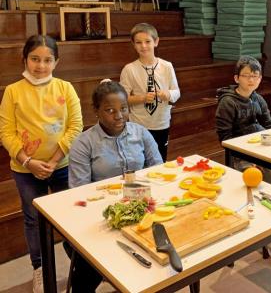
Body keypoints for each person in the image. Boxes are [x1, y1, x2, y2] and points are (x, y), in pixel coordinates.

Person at [0, 35, 83, 293]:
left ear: (56, 62)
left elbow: (76, 125)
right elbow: (6, 132)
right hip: (26, 170)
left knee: (69, 216)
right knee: (33, 219)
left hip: (62, 165)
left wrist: (55, 159)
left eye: (47, 60)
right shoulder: (13, 91)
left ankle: (81, 265)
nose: (41, 65)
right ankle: (40, 268)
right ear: (25, 59)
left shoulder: (65, 88)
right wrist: (28, 161)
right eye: (35, 59)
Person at [67, 80, 163, 292]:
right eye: (110, 110)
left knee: (161, 252)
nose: (119, 116)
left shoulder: (141, 133)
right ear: (96, 111)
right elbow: (79, 191)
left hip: (142, 208)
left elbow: (159, 171)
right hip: (102, 215)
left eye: (123, 109)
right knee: (87, 266)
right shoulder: (84, 143)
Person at [216, 56, 271, 259]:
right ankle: (269, 238)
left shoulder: (258, 98)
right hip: (239, 156)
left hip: (261, 152)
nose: (251, 80)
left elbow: (269, 124)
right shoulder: (228, 102)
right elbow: (225, 138)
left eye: (255, 76)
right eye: (247, 76)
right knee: (262, 188)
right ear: (236, 77)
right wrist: (250, 150)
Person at [120, 23, 180, 162]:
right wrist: (142, 98)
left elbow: (176, 92)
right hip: (139, 124)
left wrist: (168, 95)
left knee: (160, 159)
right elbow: (122, 99)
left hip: (161, 123)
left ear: (156, 42)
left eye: (148, 41)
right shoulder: (129, 69)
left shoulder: (167, 66)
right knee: (140, 160)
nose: (144, 46)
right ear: (133, 45)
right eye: (139, 42)